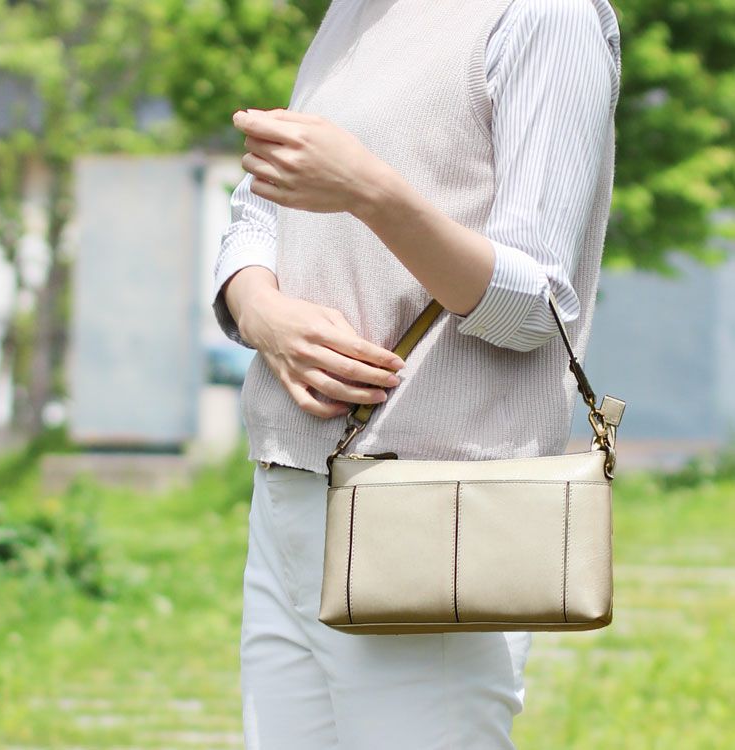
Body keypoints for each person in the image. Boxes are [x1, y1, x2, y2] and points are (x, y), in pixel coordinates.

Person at [212, 0, 622, 747]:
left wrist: (371, 191)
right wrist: (258, 309)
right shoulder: (353, 14)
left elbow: (536, 309)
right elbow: (258, 212)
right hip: (288, 489)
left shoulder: (544, 16)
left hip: (433, 512)